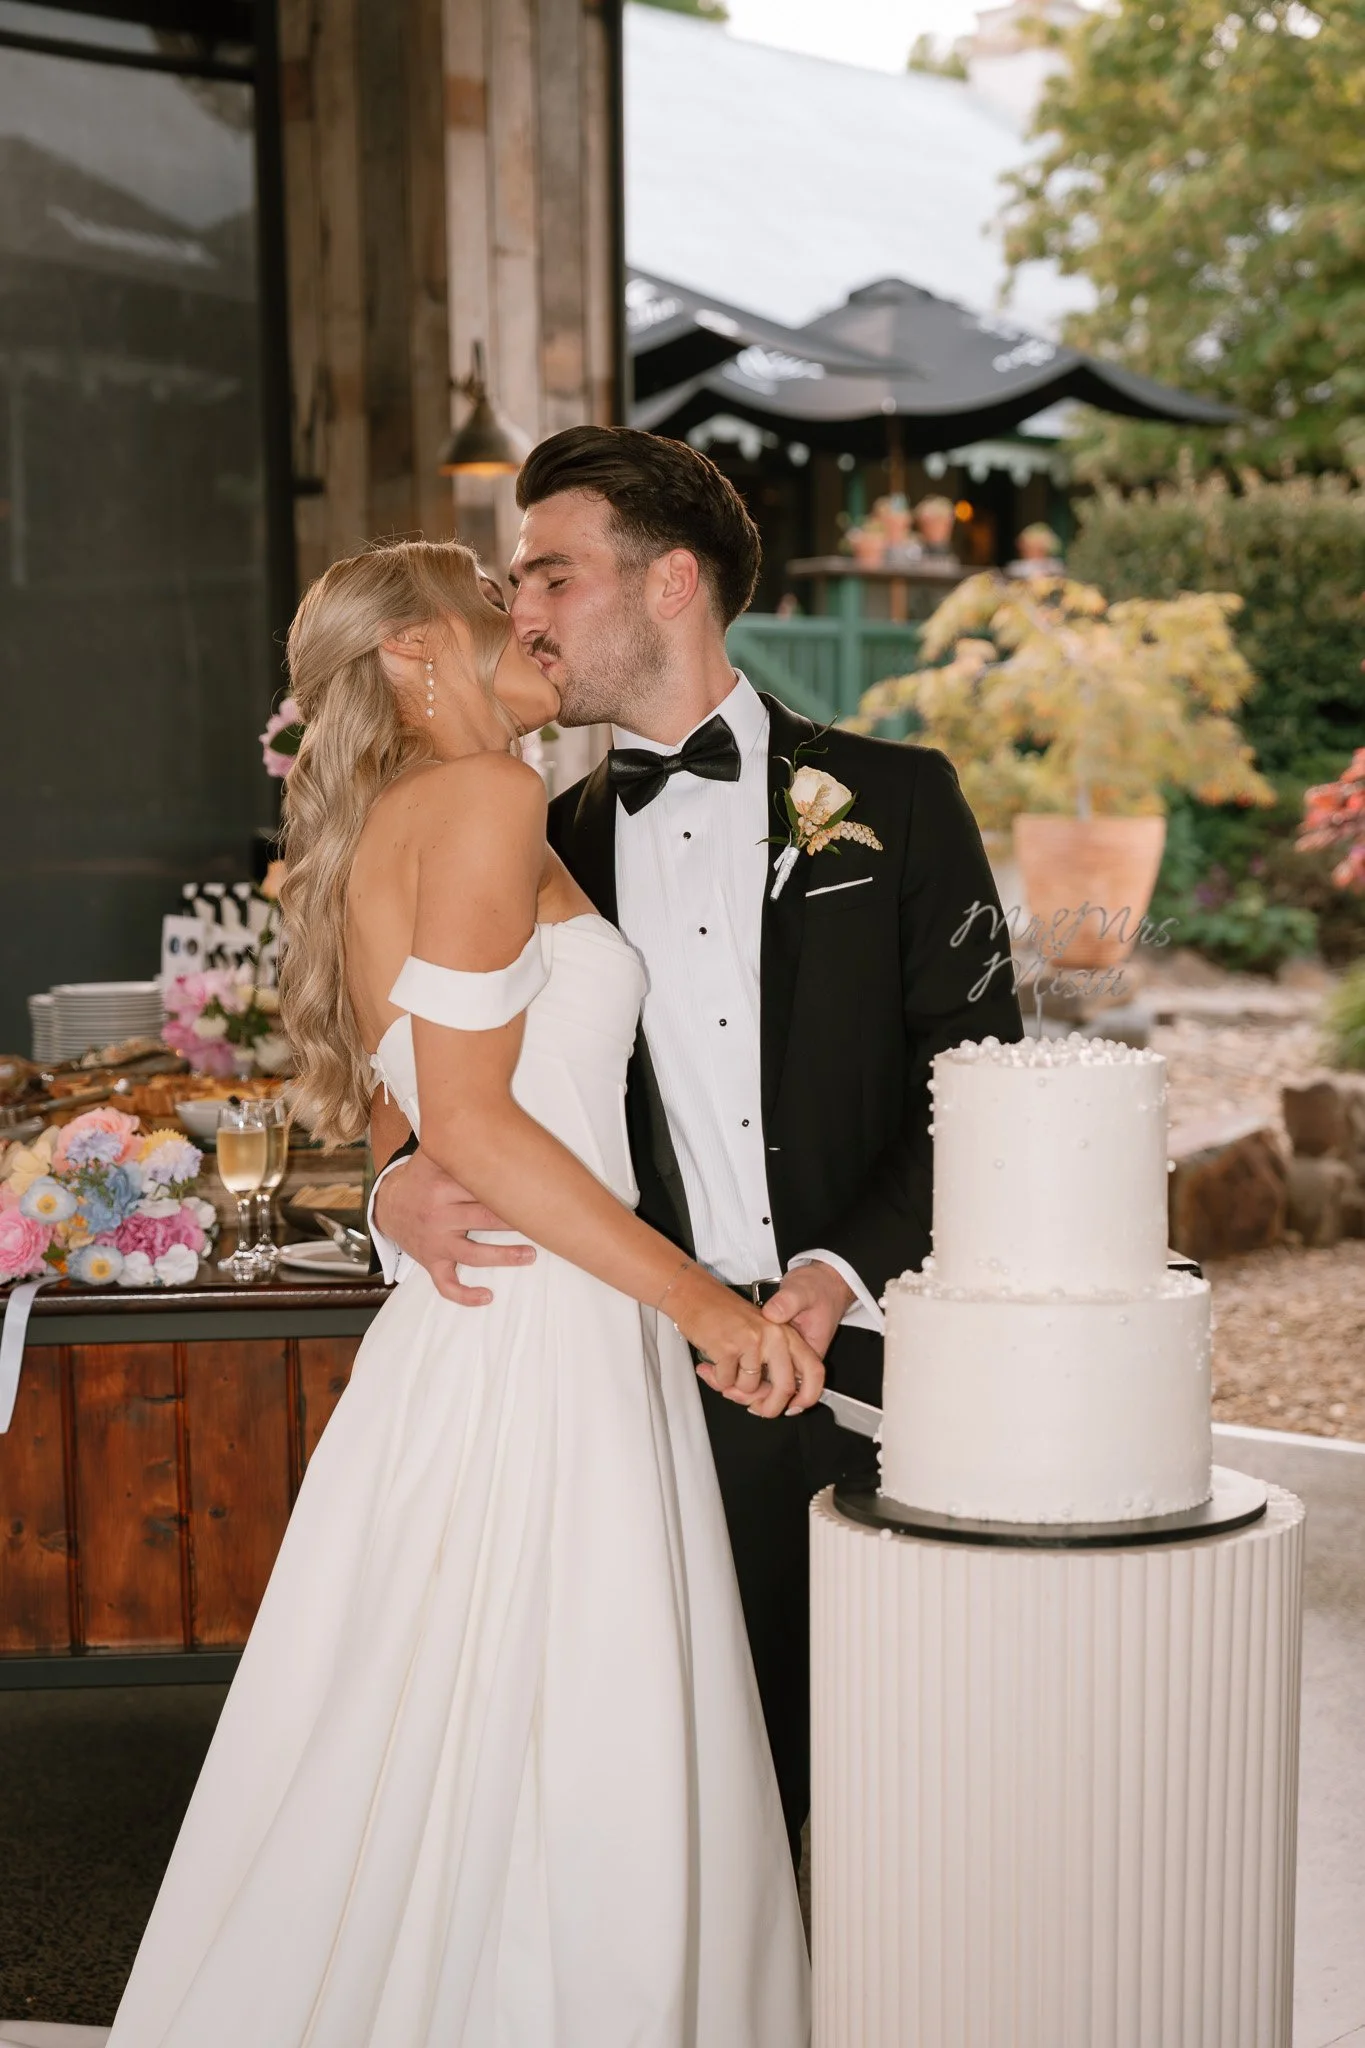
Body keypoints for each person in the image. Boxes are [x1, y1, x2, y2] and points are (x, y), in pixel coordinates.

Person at [88, 539, 814, 2046]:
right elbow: (473, 1125)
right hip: (543, 1335)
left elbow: (404, 1119)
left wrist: (395, 1184)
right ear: (417, 657)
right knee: (564, 1732)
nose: (533, 615)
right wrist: (703, 1305)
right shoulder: (481, 801)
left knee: (451, 1734)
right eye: (500, 601)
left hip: (493, 1324)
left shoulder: (403, 826)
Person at [373, 429, 1025, 1865]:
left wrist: (836, 1274)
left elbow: (978, 1083)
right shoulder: (533, 838)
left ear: (671, 585)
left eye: (550, 573)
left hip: (861, 1369)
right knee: (644, 1806)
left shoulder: (898, 800)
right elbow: (432, 1102)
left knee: (882, 1793)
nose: (520, 612)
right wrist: (390, 1191)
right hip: (621, 1371)